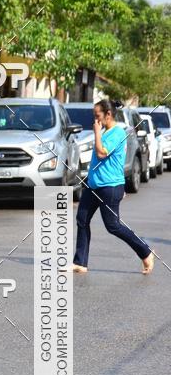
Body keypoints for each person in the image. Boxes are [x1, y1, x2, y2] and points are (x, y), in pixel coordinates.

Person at [72, 99, 154, 275]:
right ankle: (80, 262)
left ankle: (146, 252)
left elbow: (102, 154)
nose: (95, 119)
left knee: (113, 226)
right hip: (94, 186)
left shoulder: (117, 133)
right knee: (82, 219)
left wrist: (96, 133)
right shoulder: (105, 131)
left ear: (108, 114)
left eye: (97, 116)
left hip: (109, 187)